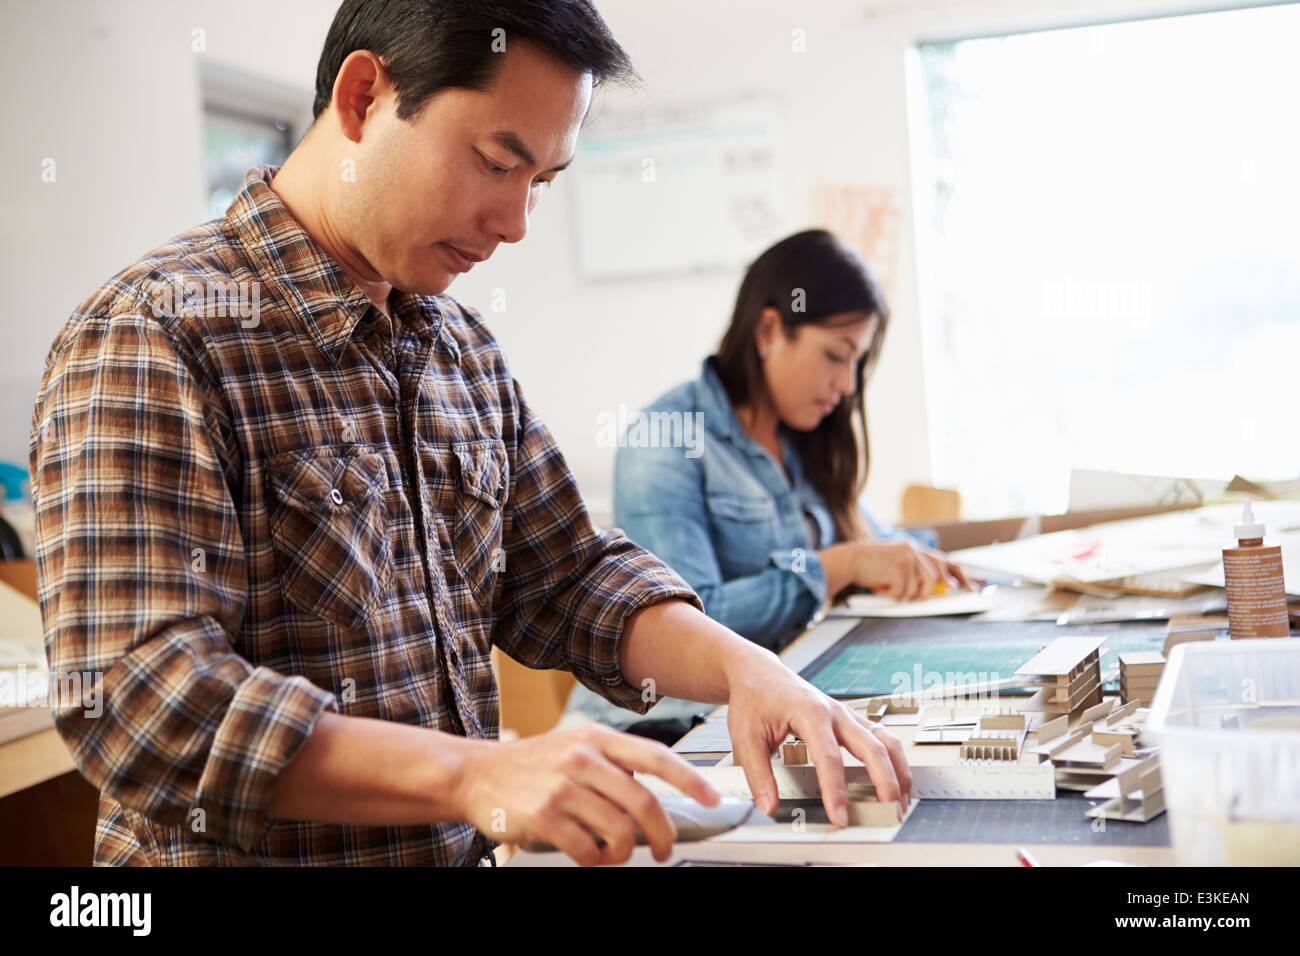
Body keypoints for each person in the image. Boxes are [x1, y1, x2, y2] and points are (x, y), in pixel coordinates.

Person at [28, 1, 910, 868]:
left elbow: (564, 575)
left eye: (542, 184)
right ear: (364, 96)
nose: (516, 222)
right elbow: (137, 702)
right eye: (497, 162)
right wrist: (475, 774)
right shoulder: (158, 332)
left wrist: (746, 669)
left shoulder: (458, 348)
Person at [568, 230, 974, 734]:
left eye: (857, 362)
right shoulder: (664, 438)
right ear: (768, 332)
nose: (848, 385)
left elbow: (880, 545)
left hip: (775, 704)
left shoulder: (805, 439)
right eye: (835, 355)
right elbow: (686, 628)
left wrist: (938, 565)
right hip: (664, 731)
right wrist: (838, 566)